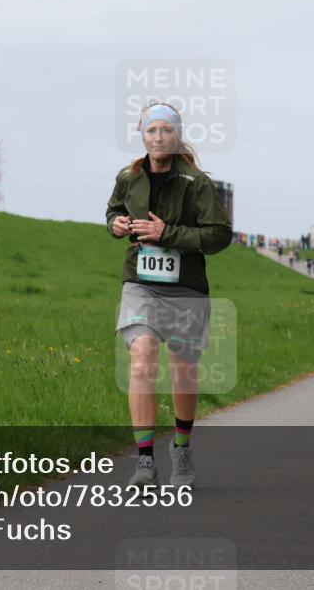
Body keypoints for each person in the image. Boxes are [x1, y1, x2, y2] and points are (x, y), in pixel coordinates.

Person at [106, 103, 232, 488]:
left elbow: (218, 235)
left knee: (182, 369)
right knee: (142, 357)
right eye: (151, 131)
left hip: (186, 287)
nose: (157, 138)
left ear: (177, 136)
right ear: (141, 134)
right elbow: (112, 211)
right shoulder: (129, 177)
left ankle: (181, 447)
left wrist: (168, 234)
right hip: (140, 282)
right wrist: (116, 224)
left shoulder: (197, 183)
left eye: (165, 131)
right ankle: (144, 461)